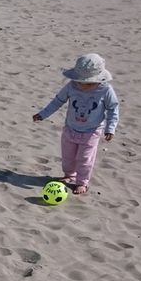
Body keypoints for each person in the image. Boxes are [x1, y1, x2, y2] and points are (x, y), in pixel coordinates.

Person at [33, 54, 120, 195]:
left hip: (91, 132)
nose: (83, 85)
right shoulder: (71, 86)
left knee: (85, 159)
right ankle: (69, 175)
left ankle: (82, 182)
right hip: (70, 129)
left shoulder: (105, 90)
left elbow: (113, 109)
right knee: (68, 156)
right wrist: (43, 114)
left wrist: (110, 128)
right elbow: (58, 101)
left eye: (89, 83)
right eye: (80, 81)